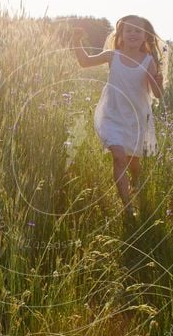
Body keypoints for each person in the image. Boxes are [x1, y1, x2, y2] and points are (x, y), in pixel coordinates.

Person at [70, 15, 167, 220]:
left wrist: (159, 81)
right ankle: (128, 207)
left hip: (136, 118)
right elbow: (85, 62)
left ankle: (136, 181)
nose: (133, 34)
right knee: (119, 156)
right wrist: (77, 42)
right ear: (120, 34)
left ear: (144, 36)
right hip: (112, 115)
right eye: (128, 30)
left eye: (138, 31)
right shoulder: (112, 56)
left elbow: (157, 94)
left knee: (133, 162)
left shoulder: (148, 61)